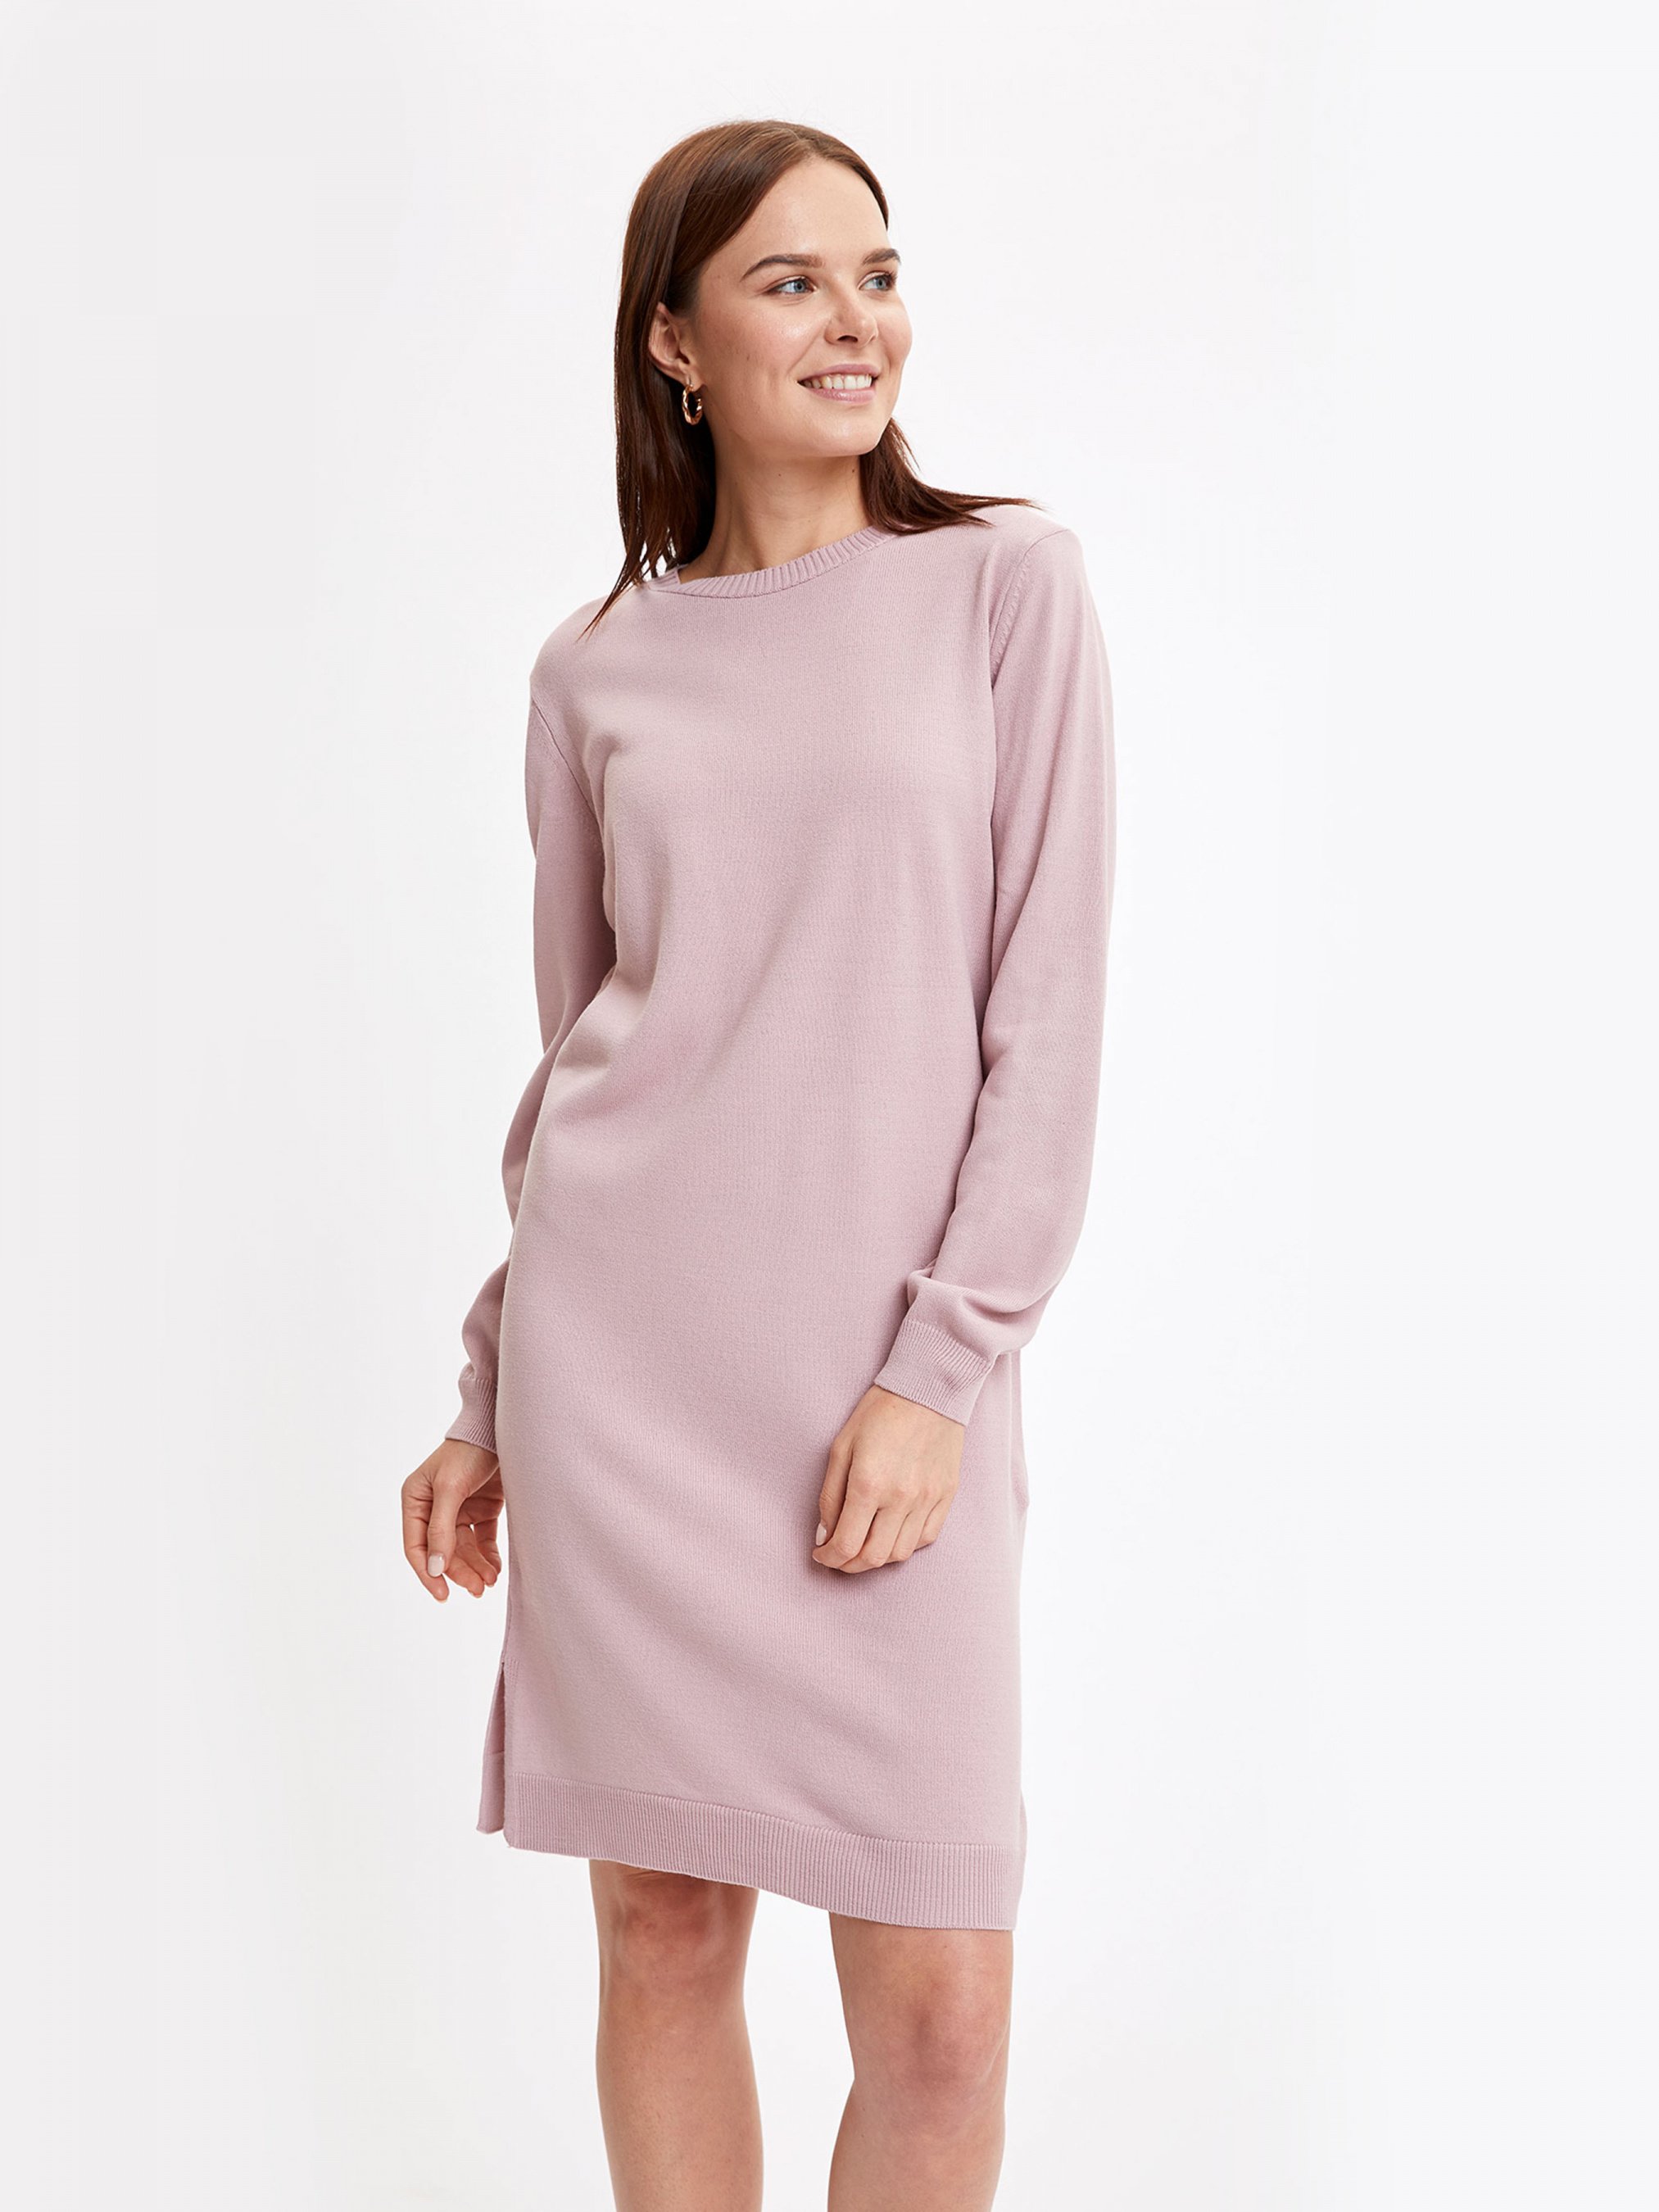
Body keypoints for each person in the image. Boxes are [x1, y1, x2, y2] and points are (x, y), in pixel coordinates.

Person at [401, 117, 1116, 2212]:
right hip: (625, 1380)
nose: (853, 318)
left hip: (884, 1388)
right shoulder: (593, 669)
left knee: (939, 2015)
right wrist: (487, 1390)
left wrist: (937, 1373)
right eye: (789, 280)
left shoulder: (1004, 590)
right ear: (674, 346)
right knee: (660, 1930)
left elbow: (1046, 1020)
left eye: (875, 272)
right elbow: (582, 1057)